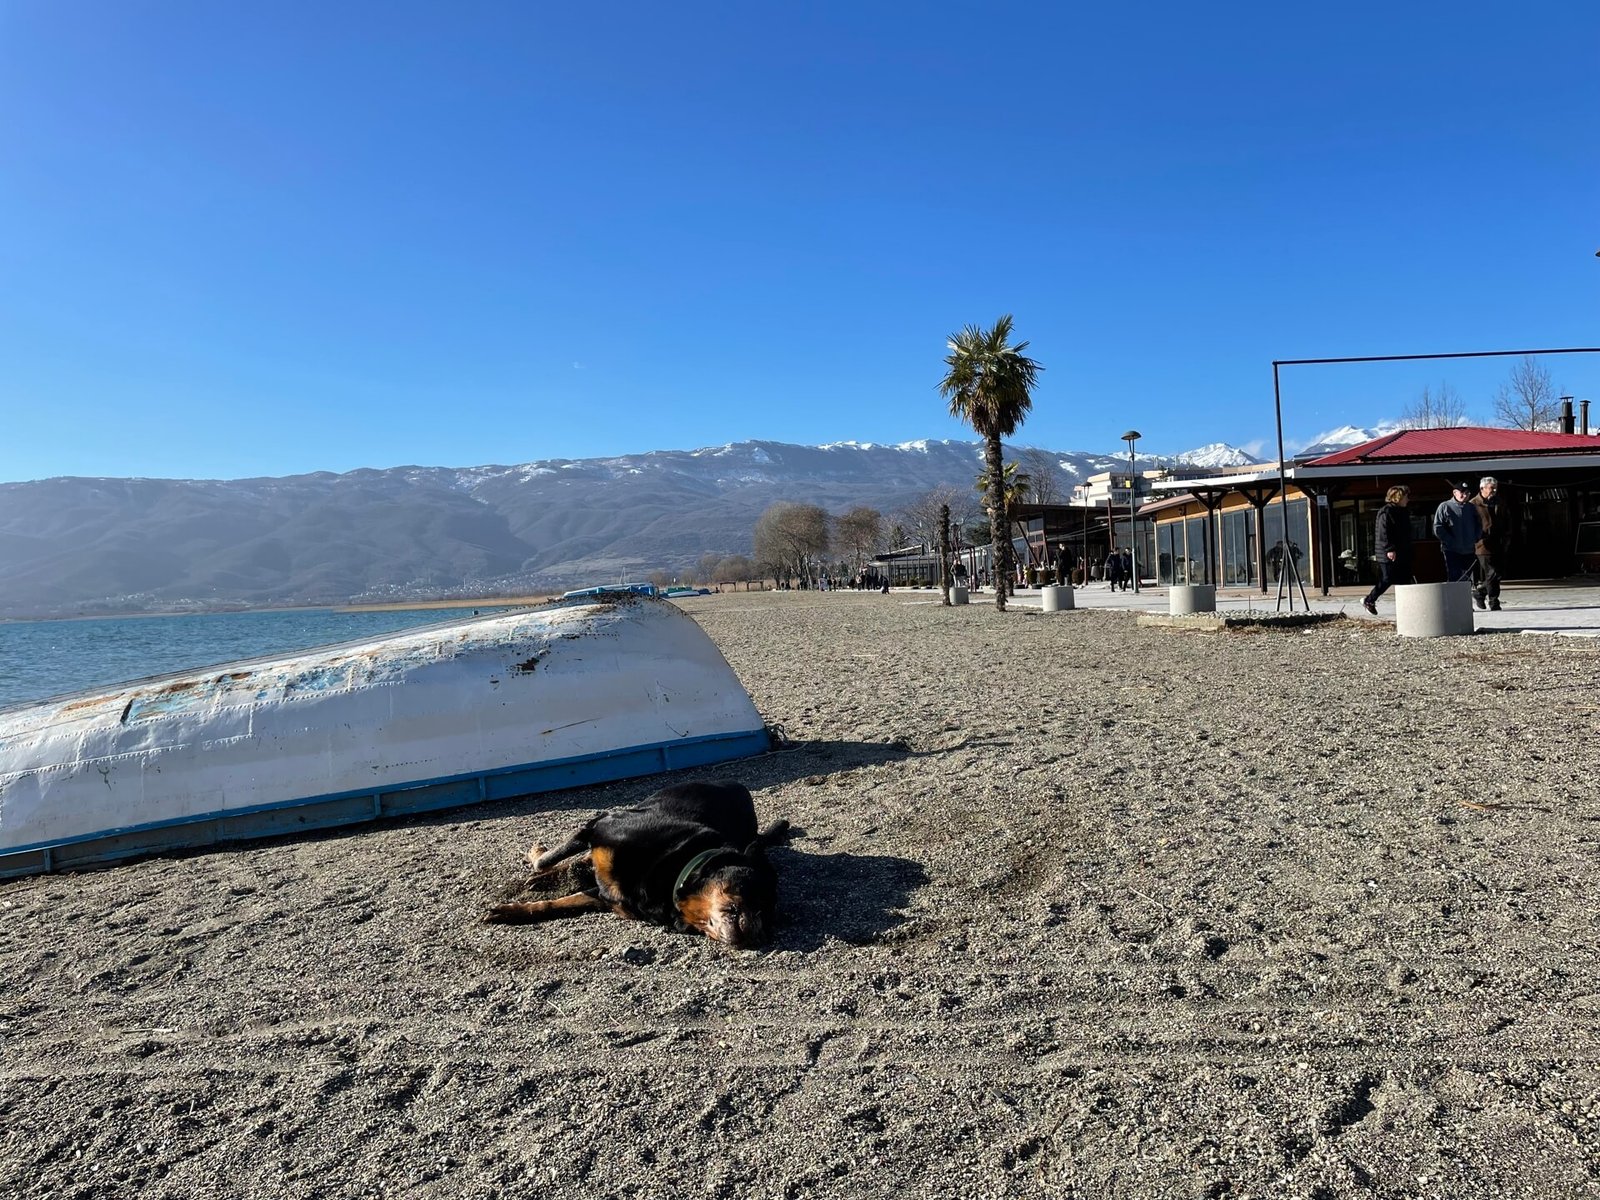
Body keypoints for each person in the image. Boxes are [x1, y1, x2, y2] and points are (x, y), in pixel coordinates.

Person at [1362, 484, 1413, 614]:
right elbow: (1383, 532)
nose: (1408, 499)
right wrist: (1389, 549)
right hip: (1387, 552)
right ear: (1398, 497)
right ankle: (1369, 600)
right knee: (1388, 578)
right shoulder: (1386, 511)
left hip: (1402, 551)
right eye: (1406, 496)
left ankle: (1407, 606)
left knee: (1405, 578)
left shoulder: (1403, 511)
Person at [1432, 480, 1483, 585]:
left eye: (1467, 493)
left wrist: (1476, 537)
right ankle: (1453, 600)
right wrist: (1449, 541)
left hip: (1469, 549)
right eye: (1462, 492)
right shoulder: (1445, 506)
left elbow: (1479, 524)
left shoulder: (1471, 508)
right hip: (1452, 550)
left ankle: (1464, 600)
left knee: (1467, 579)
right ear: (1455, 493)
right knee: (1454, 578)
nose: (1465, 495)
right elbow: (1438, 527)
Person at [1469, 476, 1505, 611]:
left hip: (1498, 542)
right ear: (1482, 488)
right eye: (1491, 488)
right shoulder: (1473, 504)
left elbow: (1506, 519)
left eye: (1495, 487)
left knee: (1498, 573)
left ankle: (1480, 593)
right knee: (1492, 572)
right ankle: (1494, 601)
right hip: (1483, 545)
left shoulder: (1499, 502)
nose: (1494, 490)